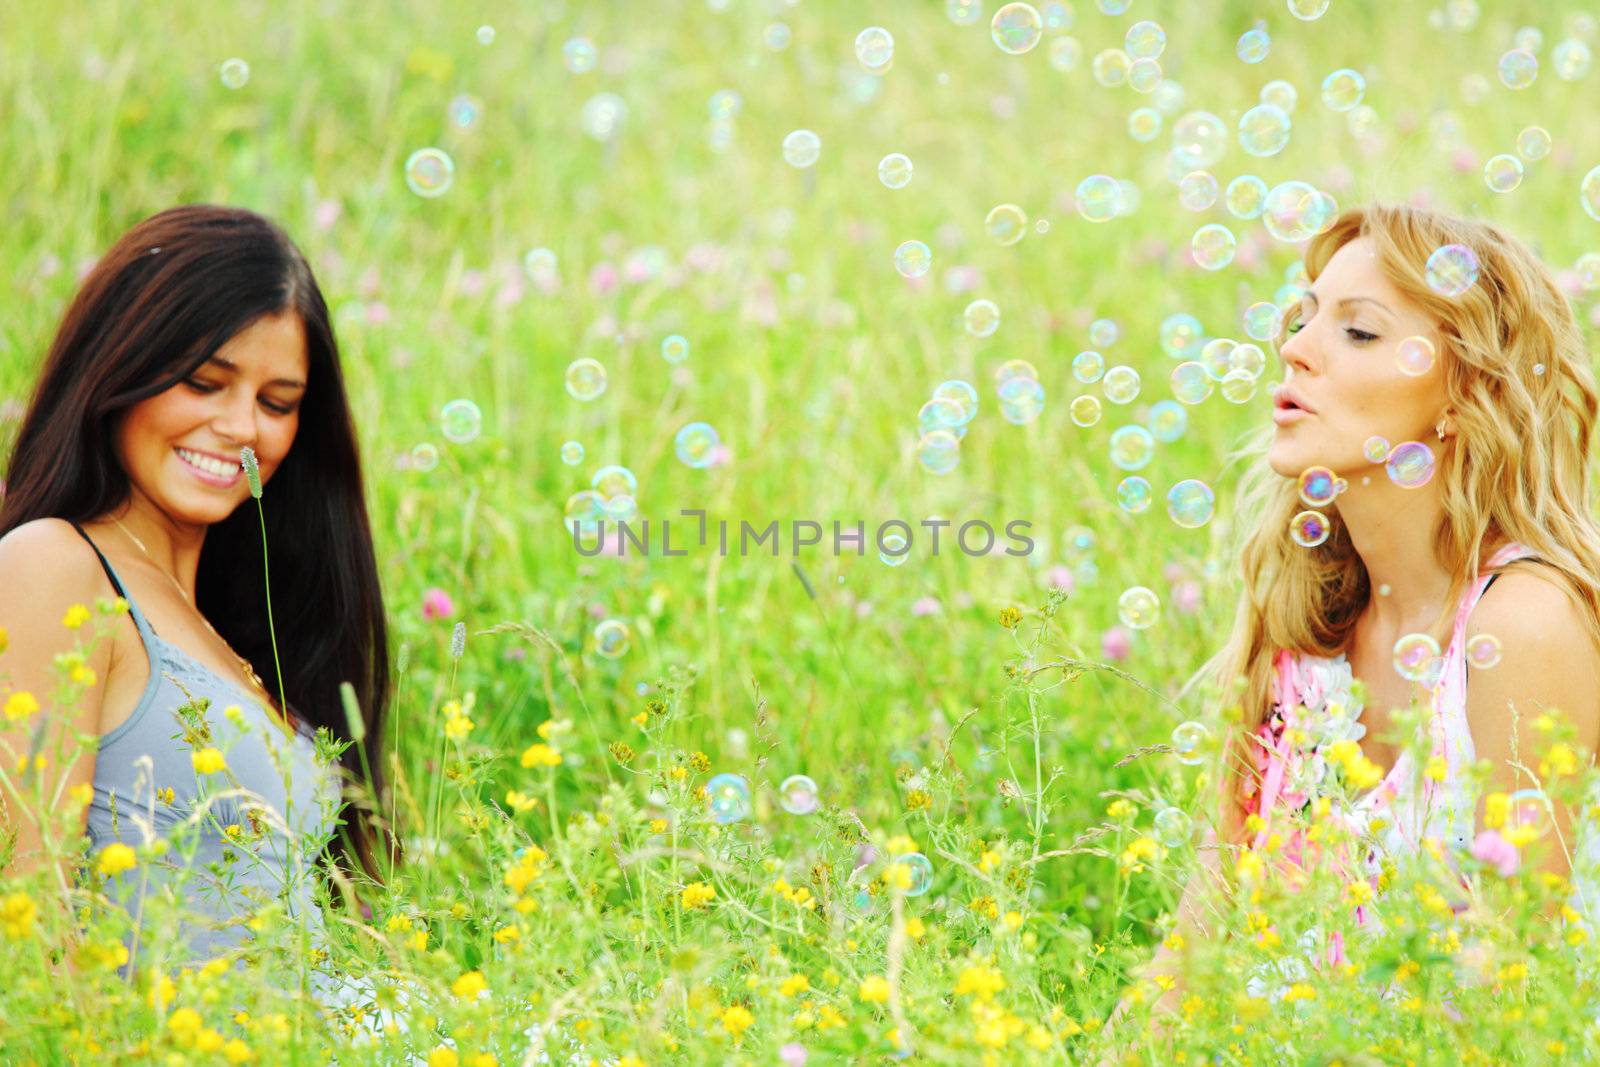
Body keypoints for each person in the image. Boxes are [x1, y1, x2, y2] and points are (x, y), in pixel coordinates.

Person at [1103, 202, 1600, 1044]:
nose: (1293, 347)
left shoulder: (1526, 622)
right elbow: (1198, 937)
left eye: (1358, 332)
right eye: (1303, 318)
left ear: (1464, 391)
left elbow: (1513, 977)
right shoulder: (1302, 627)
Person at [0, 204, 398, 1011]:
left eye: (278, 402)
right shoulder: (56, 565)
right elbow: (23, 925)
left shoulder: (229, 624)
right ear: (119, 368)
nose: (240, 426)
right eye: (204, 382)